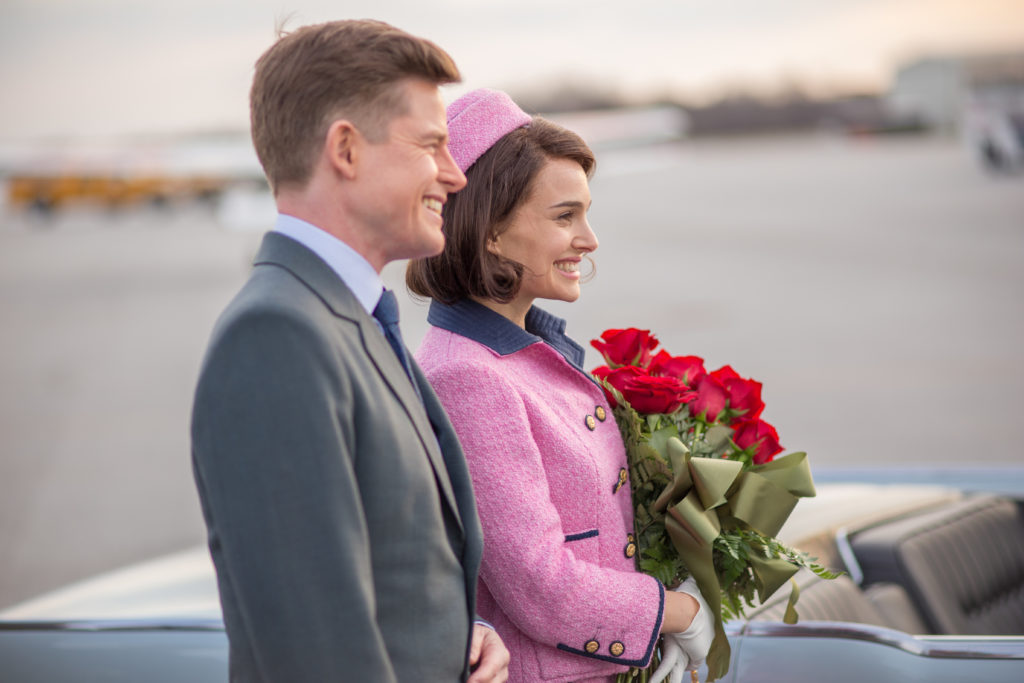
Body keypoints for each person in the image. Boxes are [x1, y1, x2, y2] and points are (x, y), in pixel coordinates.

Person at [190, 21, 509, 682]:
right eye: (432, 145)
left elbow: (387, 565)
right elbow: (315, 653)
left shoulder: (344, 318)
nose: (454, 176)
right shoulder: (277, 336)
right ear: (346, 149)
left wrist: (459, 635)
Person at [407, 89, 713, 683]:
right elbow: (540, 585)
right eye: (564, 216)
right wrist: (678, 612)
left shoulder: (516, 356)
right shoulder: (469, 376)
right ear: (490, 230)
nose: (589, 239)